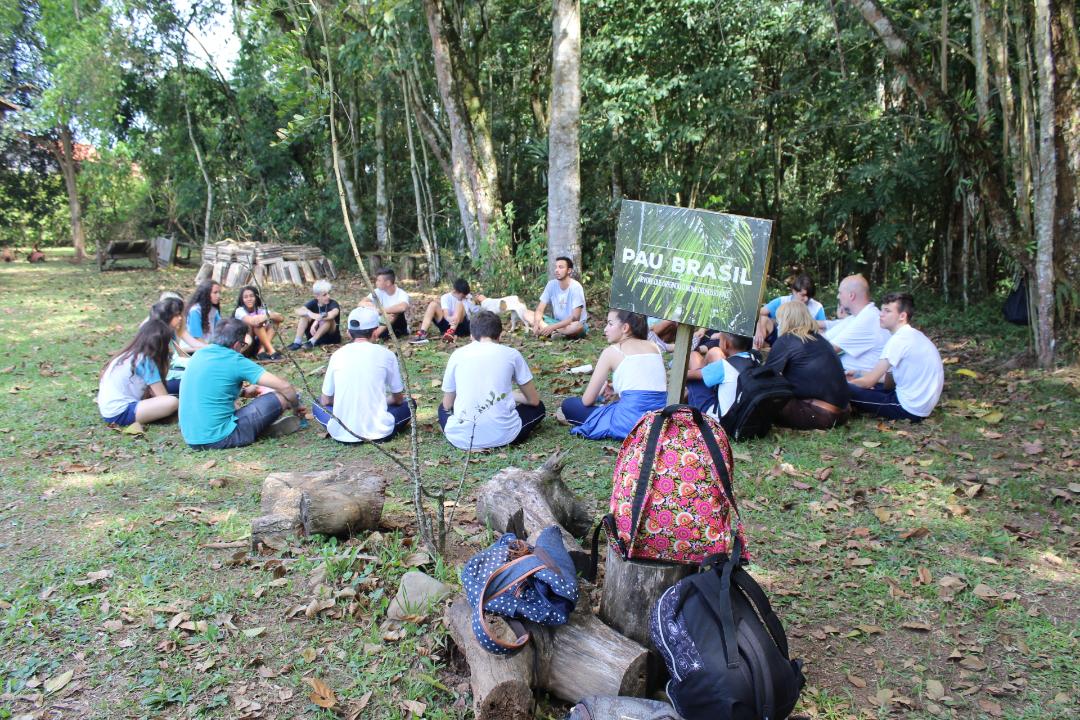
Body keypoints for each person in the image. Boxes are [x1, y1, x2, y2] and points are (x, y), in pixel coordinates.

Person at [179, 319, 302, 449]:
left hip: (192, 439)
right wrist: (296, 407)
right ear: (237, 344)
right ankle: (252, 432)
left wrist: (243, 392)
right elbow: (285, 386)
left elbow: (211, 387)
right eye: (243, 344)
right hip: (220, 438)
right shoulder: (234, 359)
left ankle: (256, 430)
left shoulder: (199, 354)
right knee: (281, 397)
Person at [440, 310, 545, 450]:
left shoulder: (457, 355)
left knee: (442, 408)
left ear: (471, 336)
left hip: (461, 439)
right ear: (500, 335)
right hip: (505, 435)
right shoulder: (512, 355)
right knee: (539, 408)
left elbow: (447, 405)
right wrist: (512, 395)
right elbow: (533, 401)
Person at [558, 310, 667, 440]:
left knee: (569, 405)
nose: (605, 329)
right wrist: (616, 387)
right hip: (659, 421)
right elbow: (646, 382)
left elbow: (587, 401)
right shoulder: (654, 347)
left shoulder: (611, 352)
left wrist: (598, 395)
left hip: (630, 424)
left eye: (610, 324)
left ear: (625, 328)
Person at [313, 307, 413, 442]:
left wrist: (349, 402)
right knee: (410, 403)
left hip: (342, 432)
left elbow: (326, 401)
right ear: (375, 332)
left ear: (349, 333)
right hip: (379, 432)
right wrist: (377, 402)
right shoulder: (387, 355)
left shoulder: (337, 355)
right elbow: (398, 400)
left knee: (318, 403)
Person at [847, 292, 944, 422]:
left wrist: (847, 383)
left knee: (843, 389)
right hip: (918, 404)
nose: (881, 314)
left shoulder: (898, 340)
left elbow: (869, 382)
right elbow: (889, 381)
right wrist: (859, 374)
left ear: (902, 316)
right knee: (860, 386)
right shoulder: (911, 335)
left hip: (908, 409)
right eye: (881, 310)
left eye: (887, 311)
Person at [764, 301, 850, 430]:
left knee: (763, 402)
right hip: (843, 413)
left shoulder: (787, 340)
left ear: (786, 320)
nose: (778, 325)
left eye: (779, 321)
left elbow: (766, 377)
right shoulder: (821, 340)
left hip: (820, 415)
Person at [97, 319, 179, 427]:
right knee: (172, 402)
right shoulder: (145, 360)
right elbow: (162, 396)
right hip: (121, 412)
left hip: (109, 410)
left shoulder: (129, 354)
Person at [823, 274, 891, 374]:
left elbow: (827, 349)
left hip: (865, 383)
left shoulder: (868, 319)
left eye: (840, 293)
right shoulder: (857, 317)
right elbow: (823, 338)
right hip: (848, 376)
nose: (838, 296)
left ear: (851, 295)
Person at [685, 333, 759, 418]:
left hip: (717, 421)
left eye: (720, 339)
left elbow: (687, 375)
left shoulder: (725, 365)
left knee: (695, 379)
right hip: (740, 415)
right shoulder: (754, 359)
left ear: (726, 344)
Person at [753, 274, 826, 349]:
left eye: (809, 296)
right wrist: (758, 331)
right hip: (779, 337)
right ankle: (754, 352)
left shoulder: (817, 307)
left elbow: (823, 330)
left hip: (803, 343)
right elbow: (759, 313)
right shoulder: (782, 301)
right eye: (803, 295)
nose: (806, 299)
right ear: (794, 291)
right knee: (764, 319)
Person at [411, 278, 483, 344]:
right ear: (455, 291)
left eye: (465, 295)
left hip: (461, 326)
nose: (464, 297)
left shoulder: (468, 298)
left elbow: (476, 310)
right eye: (462, 295)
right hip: (447, 323)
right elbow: (446, 313)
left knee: (460, 304)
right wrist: (450, 318)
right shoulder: (446, 297)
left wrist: (479, 301)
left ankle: (450, 334)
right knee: (433, 304)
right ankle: (422, 332)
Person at [532, 256, 587, 338]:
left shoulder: (576, 287)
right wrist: (536, 324)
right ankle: (558, 333)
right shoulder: (551, 284)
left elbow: (575, 317)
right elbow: (540, 309)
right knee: (527, 314)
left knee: (577, 326)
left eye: (561, 267)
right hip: (557, 322)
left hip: (571, 324)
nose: (556, 270)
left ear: (569, 270)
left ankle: (552, 331)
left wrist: (553, 327)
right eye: (556, 267)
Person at [287, 279, 341, 351]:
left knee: (328, 320)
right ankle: (297, 342)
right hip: (313, 334)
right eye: (324, 295)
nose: (328, 296)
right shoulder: (313, 303)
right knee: (304, 316)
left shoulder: (333, 303)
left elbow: (332, 314)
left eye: (328, 293)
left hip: (331, 337)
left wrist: (317, 320)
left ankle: (312, 342)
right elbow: (298, 311)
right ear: (317, 296)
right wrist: (310, 313)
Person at [149, 297, 188, 395]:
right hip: (162, 381)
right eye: (177, 315)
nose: (181, 318)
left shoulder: (170, 333)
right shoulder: (157, 337)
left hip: (171, 374)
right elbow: (163, 371)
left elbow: (177, 357)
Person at [234, 285, 284, 361]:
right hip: (245, 345)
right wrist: (266, 317)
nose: (249, 299)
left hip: (258, 344)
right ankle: (271, 351)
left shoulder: (261, 310)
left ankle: (262, 351)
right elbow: (253, 322)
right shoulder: (239, 311)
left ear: (256, 297)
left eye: (251, 296)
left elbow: (281, 318)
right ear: (242, 300)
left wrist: (268, 316)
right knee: (257, 324)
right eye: (246, 297)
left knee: (274, 321)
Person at [362, 267, 411, 341]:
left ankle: (375, 335)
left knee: (393, 313)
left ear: (388, 283)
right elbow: (361, 303)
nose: (376, 282)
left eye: (378, 280)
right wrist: (371, 306)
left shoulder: (401, 293)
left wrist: (380, 310)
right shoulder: (378, 291)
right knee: (364, 310)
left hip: (397, 327)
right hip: (380, 323)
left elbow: (403, 307)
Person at [182, 281, 222, 349]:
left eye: (219, 293)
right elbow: (197, 338)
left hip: (208, 346)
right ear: (206, 294)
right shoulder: (195, 311)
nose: (219, 296)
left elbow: (221, 329)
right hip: (193, 349)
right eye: (215, 293)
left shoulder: (213, 310)